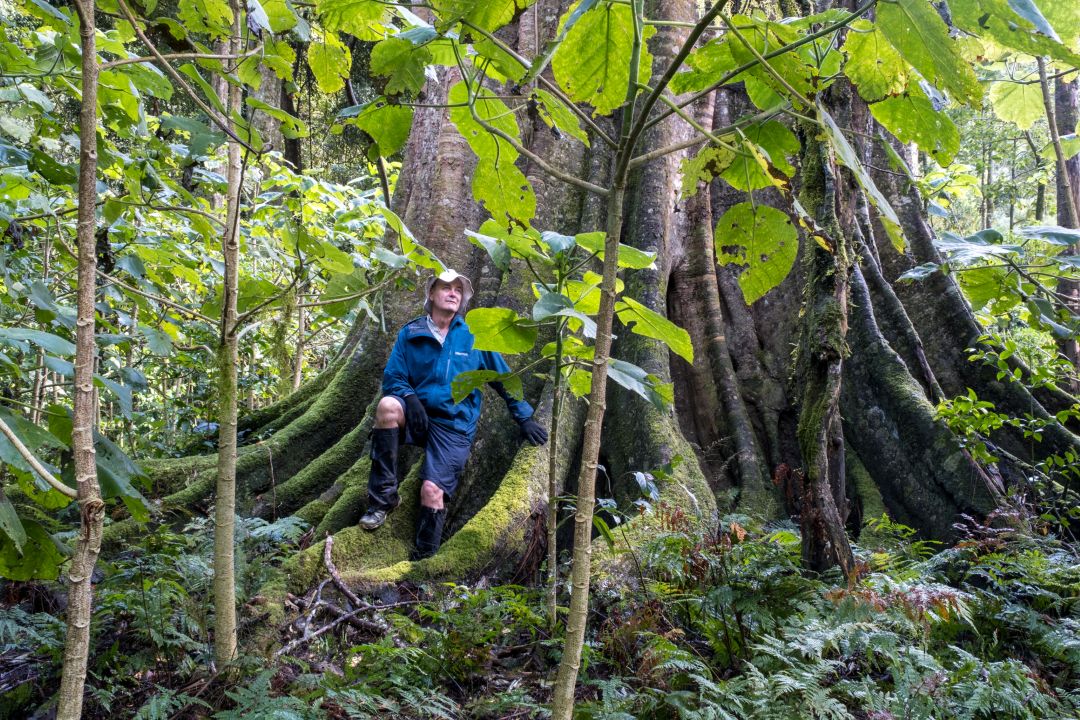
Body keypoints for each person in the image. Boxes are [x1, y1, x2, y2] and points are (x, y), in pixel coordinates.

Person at [359, 268, 549, 559]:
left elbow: (502, 376)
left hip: (454, 424)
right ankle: (382, 501)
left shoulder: (473, 336)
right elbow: (393, 377)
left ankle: (424, 561)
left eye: (458, 290)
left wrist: (524, 416)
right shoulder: (411, 333)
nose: (452, 293)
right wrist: (409, 398)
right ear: (432, 294)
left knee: (432, 492)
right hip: (417, 416)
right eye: (446, 287)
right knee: (387, 406)